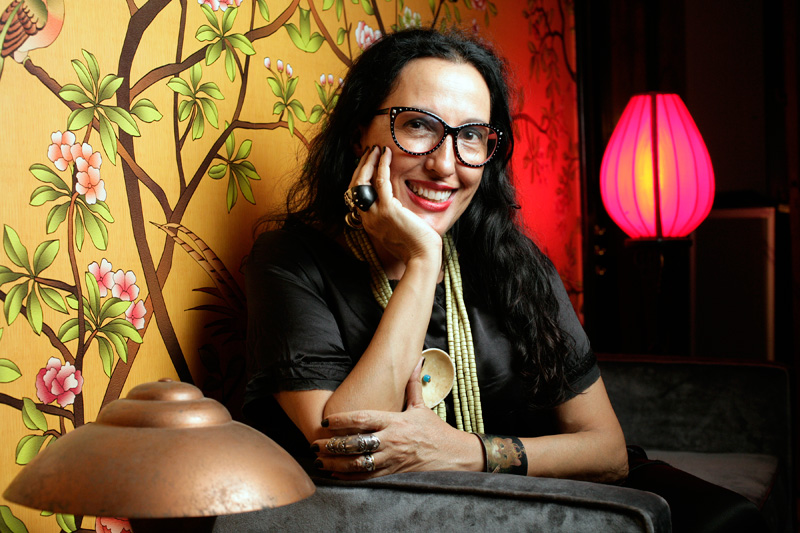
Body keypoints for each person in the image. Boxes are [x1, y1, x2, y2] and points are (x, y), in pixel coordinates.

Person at [244, 28, 767, 532]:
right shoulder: (290, 260)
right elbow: (344, 449)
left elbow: (607, 451)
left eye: (471, 136)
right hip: (409, 517)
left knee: (732, 520)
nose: (446, 164)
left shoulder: (510, 259)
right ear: (360, 130)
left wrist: (464, 452)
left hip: (563, 498)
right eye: (419, 126)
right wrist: (422, 261)